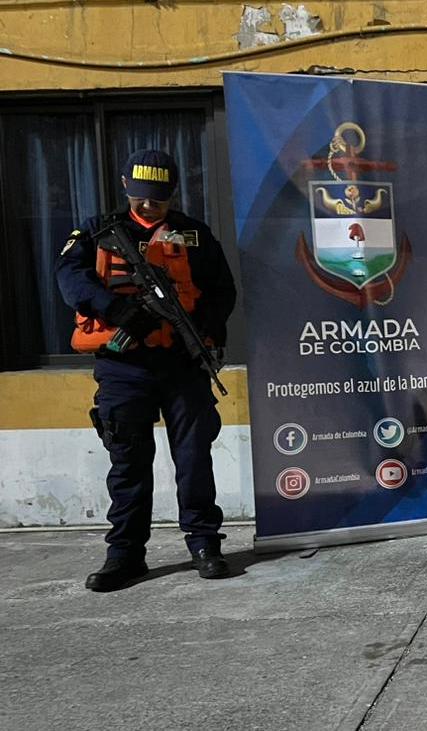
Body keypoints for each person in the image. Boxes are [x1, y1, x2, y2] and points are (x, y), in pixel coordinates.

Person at [55, 149, 238, 590]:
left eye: (158, 197)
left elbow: (222, 291)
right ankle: (125, 554)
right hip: (123, 367)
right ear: (125, 186)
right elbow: (69, 278)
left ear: (173, 193)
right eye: (141, 196)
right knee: (128, 461)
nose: (149, 204)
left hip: (181, 364)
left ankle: (204, 544)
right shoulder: (98, 231)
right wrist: (115, 309)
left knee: (194, 458)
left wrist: (202, 331)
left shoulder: (195, 234)